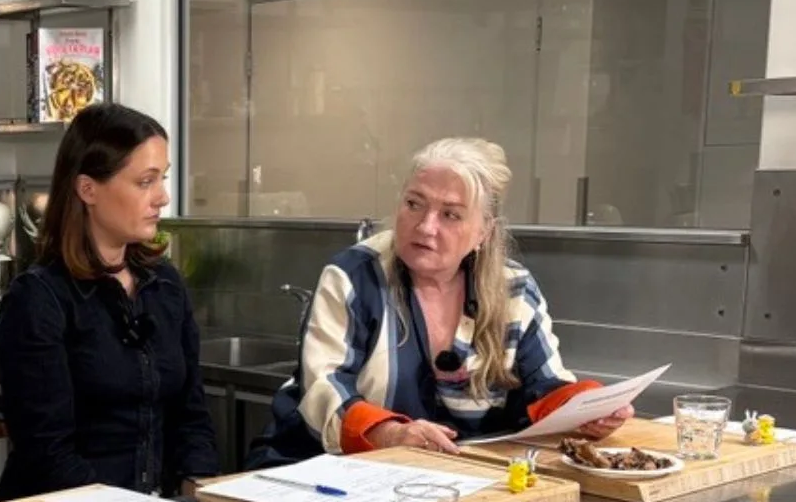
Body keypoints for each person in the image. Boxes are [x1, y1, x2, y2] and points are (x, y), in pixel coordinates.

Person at [246, 136, 629, 465]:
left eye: (450, 215)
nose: (426, 226)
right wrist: (390, 434)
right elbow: (324, 389)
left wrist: (592, 409)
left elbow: (544, 387)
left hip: (450, 481)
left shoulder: (514, 290)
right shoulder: (354, 277)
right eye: (414, 204)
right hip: (320, 473)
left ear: (483, 232)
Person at [0, 103, 218, 500]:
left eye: (162, 178)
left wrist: (199, 494)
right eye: (145, 182)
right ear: (88, 189)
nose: (162, 197)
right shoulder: (39, 299)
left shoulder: (164, 284)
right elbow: (48, 454)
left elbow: (191, 416)